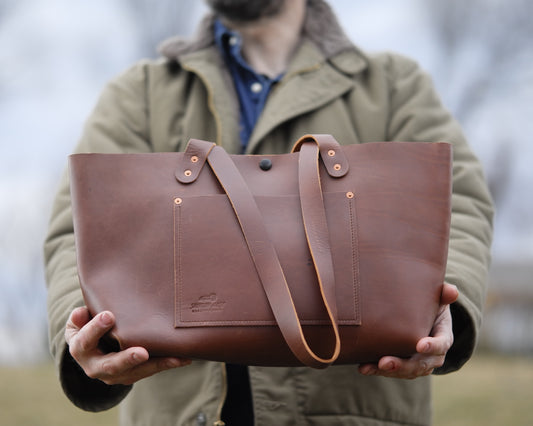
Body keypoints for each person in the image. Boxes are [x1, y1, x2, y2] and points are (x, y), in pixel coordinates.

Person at [44, 0, 494, 425]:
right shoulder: (140, 92)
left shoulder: (394, 84)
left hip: (352, 411)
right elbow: (78, 228)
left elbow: (459, 204)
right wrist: (87, 331)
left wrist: (441, 309)